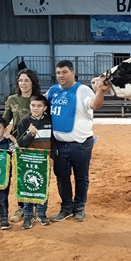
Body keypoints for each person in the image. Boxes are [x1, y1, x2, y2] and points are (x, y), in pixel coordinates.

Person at [47, 60, 110, 222]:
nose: (61, 75)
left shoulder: (82, 90)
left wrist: (100, 92)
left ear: (73, 73)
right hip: (59, 144)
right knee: (62, 178)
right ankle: (66, 208)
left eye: (65, 72)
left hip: (81, 144)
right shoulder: (52, 91)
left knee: (81, 177)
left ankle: (80, 207)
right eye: (59, 72)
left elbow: (94, 105)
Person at [3, 68, 41, 222]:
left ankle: (37, 207)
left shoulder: (39, 99)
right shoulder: (12, 99)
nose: (23, 83)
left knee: (34, 174)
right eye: (20, 80)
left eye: (26, 80)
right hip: (18, 144)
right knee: (20, 176)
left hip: (35, 143)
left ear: (33, 82)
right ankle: (22, 207)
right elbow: (5, 120)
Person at [16, 94, 53, 229]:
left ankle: (41, 213)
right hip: (28, 160)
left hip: (44, 161)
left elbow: (54, 141)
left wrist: (52, 157)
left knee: (43, 186)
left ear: (45, 108)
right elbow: (21, 144)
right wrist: (30, 134)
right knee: (27, 187)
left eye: (39, 106)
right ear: (29, 106)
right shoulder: (24, 123)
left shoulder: (50, 121)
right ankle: (27, 215)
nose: (35, 108)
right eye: (33, 105)